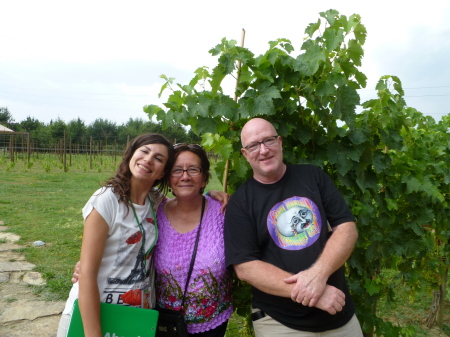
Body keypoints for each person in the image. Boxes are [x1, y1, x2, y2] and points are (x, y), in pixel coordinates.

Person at [224, 118, 363, 336]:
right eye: (253, 145)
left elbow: (346, 227)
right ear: (245, 153)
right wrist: (313, 292)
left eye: (268, 140)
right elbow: (245, 267)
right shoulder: (240, 202)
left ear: (279, 142)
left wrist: (318, 274)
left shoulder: (313, 176)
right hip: (279, 323)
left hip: (339, 315)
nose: (263, 150)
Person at [57, 133, 174, 337]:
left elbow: (186, 205)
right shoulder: (106, 200)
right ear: (131, 155)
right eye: (144, 151)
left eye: (158, 158)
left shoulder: (156, 202)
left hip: (135, 318)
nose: (148, 159)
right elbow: (87, 274)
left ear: (162, 173)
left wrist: (212, 197)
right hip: (94, 315)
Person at [154, 143, 233, 337]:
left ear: (205, 177)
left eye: (193, 170)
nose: (185, 176)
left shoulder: (223, 212)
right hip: (165, 323)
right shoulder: (154, 213)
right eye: (177, 170)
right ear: (168, 177)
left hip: (213, 323)